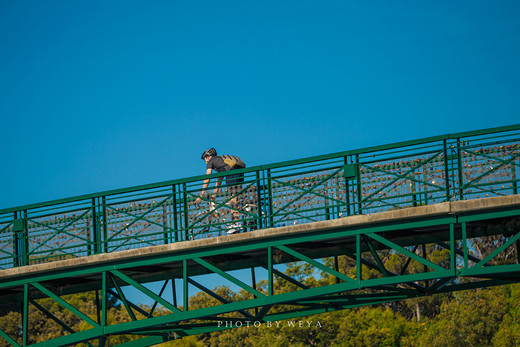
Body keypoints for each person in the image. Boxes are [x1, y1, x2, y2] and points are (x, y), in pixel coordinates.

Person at [195, 148, 246, 233]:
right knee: (235, 197)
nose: (205, 162)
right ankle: (238, 220)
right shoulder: (221, 162)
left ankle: (236, 223)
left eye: (205, 159)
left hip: (232, 173)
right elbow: (219, 179)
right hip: (240, 171)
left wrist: (201, 195)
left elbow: (207, 178)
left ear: (207, 157)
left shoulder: (211, 161)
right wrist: (214, 194)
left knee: (232, 198)